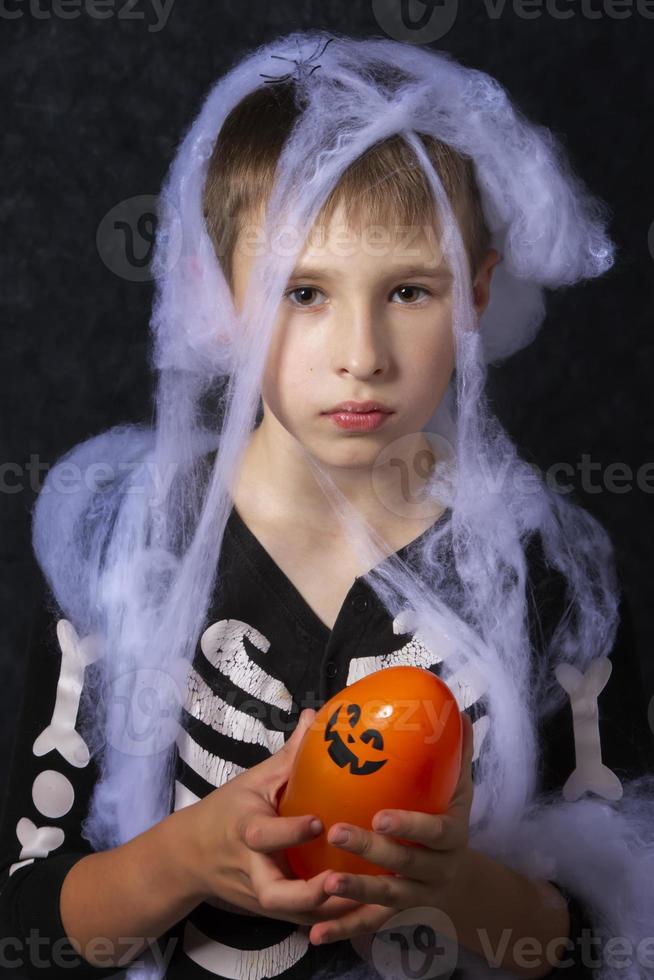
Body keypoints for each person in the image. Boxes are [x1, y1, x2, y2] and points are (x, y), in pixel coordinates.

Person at [2, 29, 654, 980]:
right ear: (217, 297)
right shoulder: (127, 548)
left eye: (408, 290)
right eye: (301, 290)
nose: (362, 353)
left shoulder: (549, 573)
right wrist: (182, 857)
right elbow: (28, 923)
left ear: (476, 292)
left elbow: (614, 941)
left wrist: (454, 883)